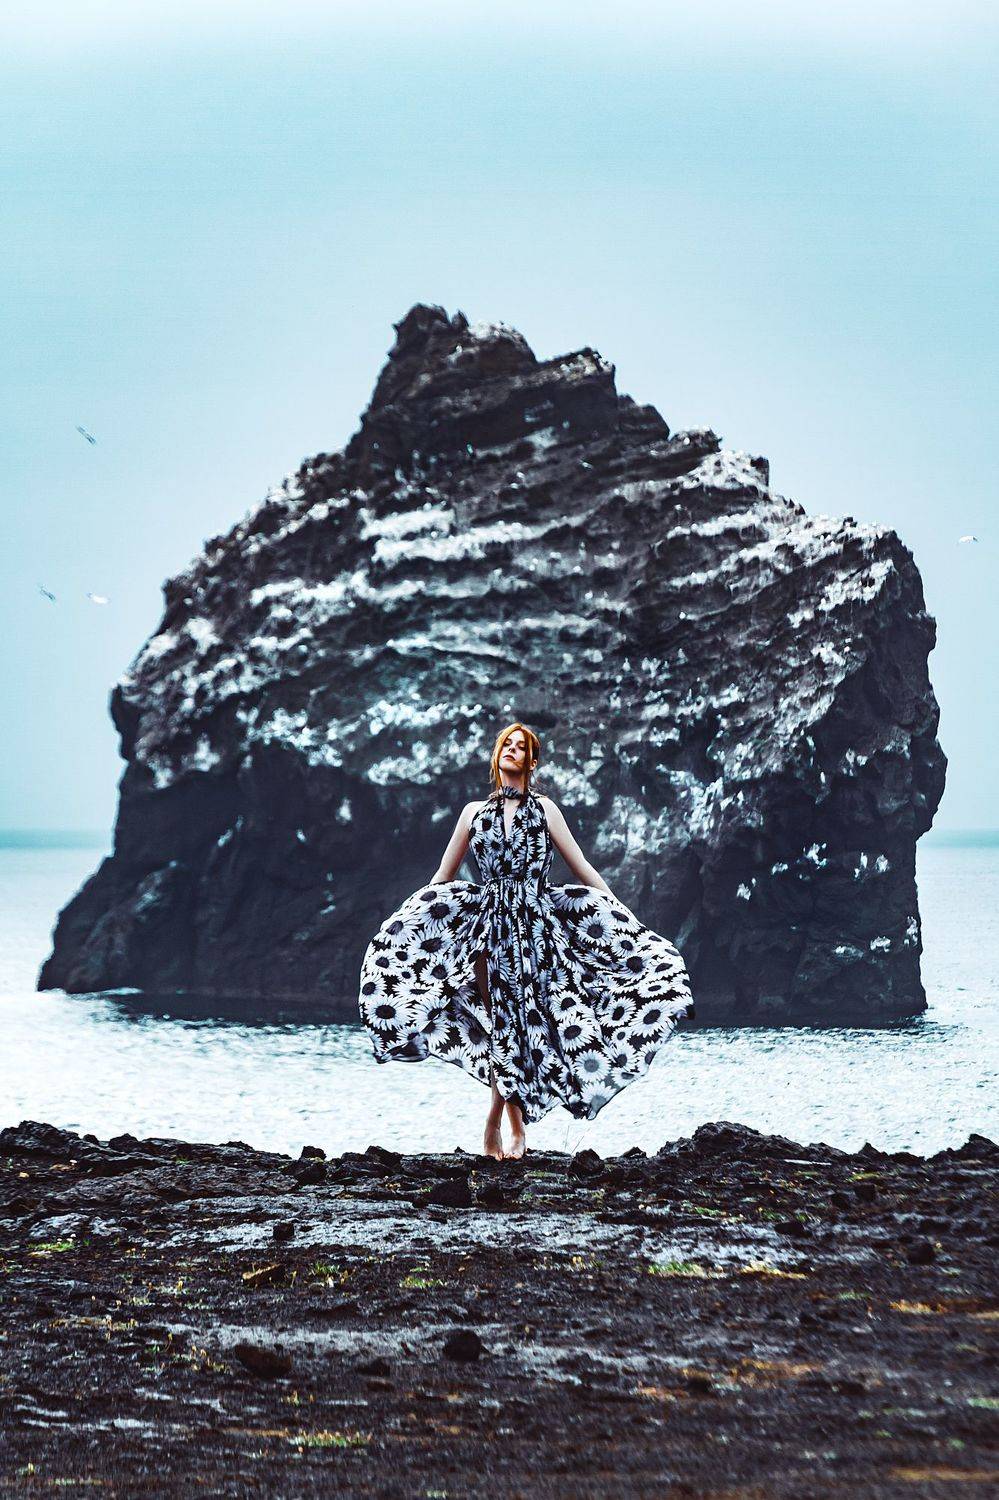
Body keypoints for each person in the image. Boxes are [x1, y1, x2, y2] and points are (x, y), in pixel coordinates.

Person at [358, 722, 695, 1160]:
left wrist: (618, 911)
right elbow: (443, 876)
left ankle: (499, 1123)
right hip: (486, 928)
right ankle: (509, 1126)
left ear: (531, 762)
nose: (513, 751)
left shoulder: (545, 810)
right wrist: (413, 920)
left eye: (521, 748)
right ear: (497, 756)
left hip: (536, 927)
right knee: (502, 1021)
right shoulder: (472, 813)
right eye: (507, 745)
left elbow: (581, 866)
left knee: (522, 1021)